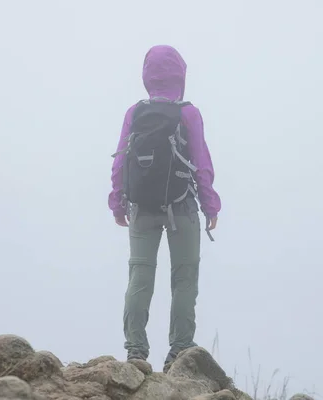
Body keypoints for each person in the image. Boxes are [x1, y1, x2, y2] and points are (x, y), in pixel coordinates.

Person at [108, 45, 221, 370]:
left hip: (141, 207)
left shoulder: (135, 112)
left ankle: (135, 352)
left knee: (140, 274)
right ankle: (180, 350)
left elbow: (120, 159)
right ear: (180, 76)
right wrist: (210, 204)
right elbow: (201, 161)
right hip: (181, 205)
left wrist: (118, 201)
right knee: (184, 278)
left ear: (146, 77)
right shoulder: (189, 113)